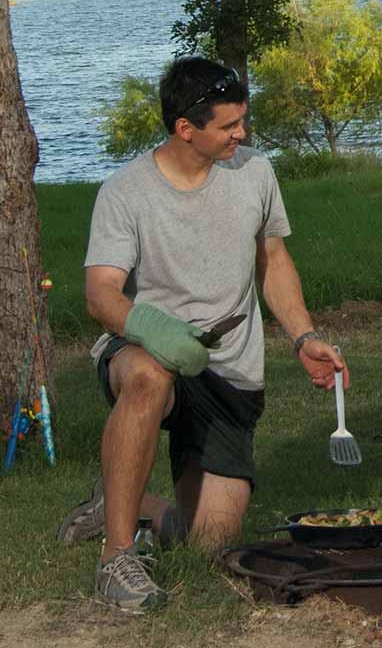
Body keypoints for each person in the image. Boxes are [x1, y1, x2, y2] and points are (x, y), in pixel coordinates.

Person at [56, 57, 348, 613]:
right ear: (185, 128)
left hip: (228, 369)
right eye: (229, 125)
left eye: (243, 120)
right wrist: (157, 332)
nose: (243, 133)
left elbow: (272, 260)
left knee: (212, 543)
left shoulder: (255, 172)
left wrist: (303, 336)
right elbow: (101, 295)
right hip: (146, 349)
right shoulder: (125, 192)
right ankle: (117, 557)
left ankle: (127, 501)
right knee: (148, 377)